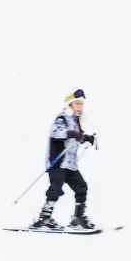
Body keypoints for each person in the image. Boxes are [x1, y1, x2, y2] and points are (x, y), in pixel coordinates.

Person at [31, 89, 98, 230]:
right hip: (58, 161)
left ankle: (78, 219)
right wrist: (72, 133)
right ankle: (44, 219)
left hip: (70, 164)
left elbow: (75, 138)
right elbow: (56, 132)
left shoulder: (75, 120)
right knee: (56, 188)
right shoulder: (62, 118)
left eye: (81, 104)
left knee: (81, 187)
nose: (79, 107)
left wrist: (86, 138)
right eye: (77, 104)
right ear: (70, 105)